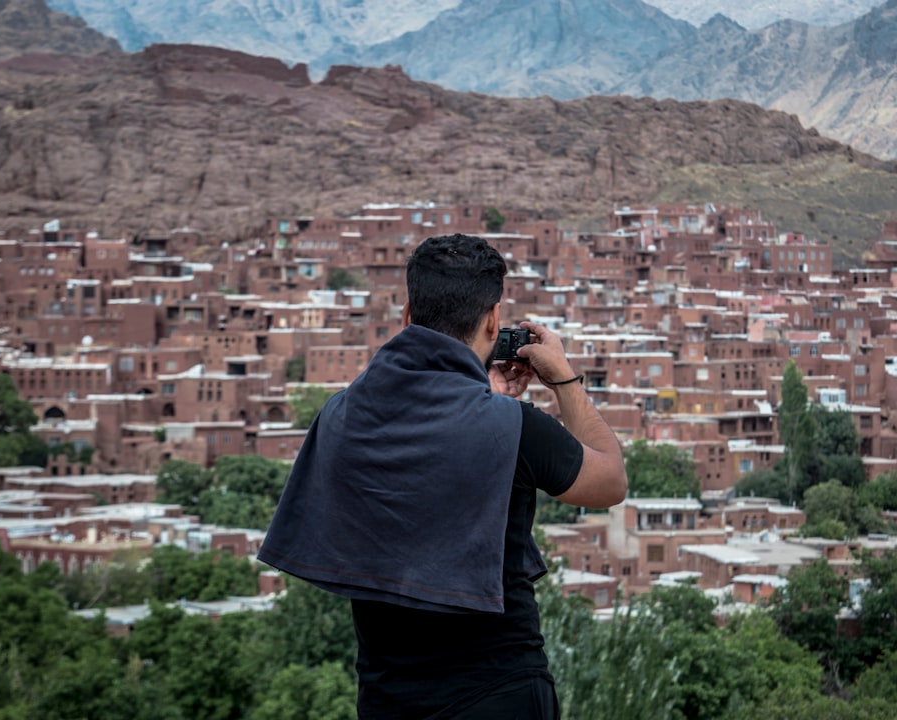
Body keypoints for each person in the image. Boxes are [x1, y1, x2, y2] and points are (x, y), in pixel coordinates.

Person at [257, 233, 627, 719]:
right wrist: (562, 379)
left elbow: (422, 456)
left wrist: (482, 399)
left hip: (387, 700)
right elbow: (609, 480)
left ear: (408, 315)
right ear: (494, 320)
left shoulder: (341, 414)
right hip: (499, 693)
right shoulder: (512, 429)